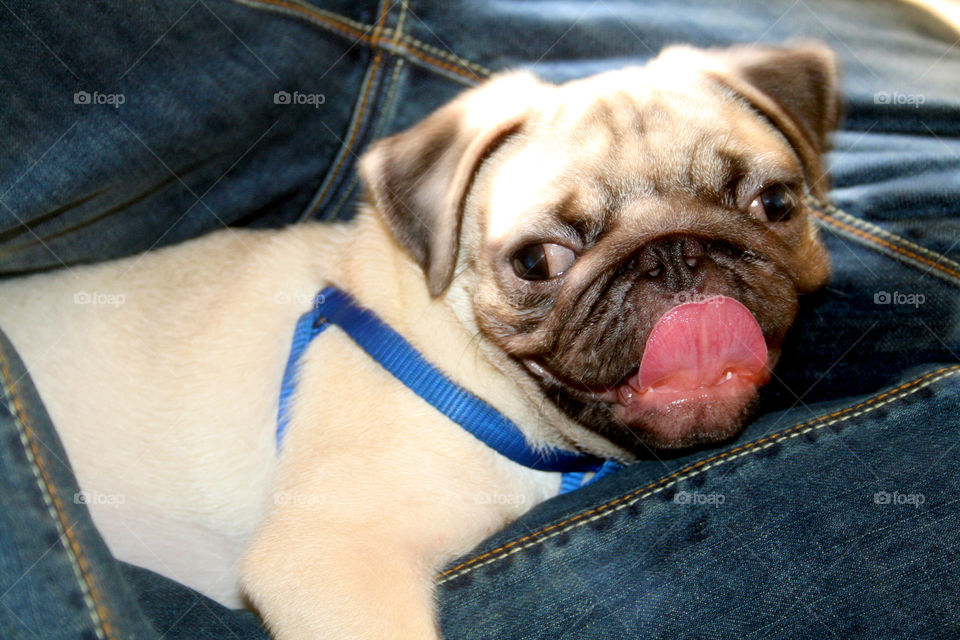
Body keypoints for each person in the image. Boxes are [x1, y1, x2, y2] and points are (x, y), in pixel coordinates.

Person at [2, 0, 959, 637]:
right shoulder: (395, 365)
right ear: (436, 226)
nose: (679, 280)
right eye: (544, 260)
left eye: (768, 207)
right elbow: (313, 561)